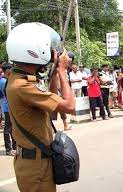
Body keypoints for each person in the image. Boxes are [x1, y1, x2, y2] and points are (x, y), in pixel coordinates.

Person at [5, 22, 75, 192]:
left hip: (39, 159)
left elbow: (50, 102)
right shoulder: (23, 86)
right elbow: (69, 105)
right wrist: (62, 72)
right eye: (50, 49)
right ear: (35, 51)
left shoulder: (22, 79)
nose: (54, 53)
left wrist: (54, 74)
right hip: (34, 165)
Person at [0, 63, 16, 156]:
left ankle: (14, 147)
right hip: (7, 107)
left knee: (12, 127)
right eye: (11, 68)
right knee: (8, 128)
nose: (12, 70)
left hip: (9, 106)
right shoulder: (3, 81)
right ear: (7, 70)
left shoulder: (6, 80)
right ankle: (8, 149)